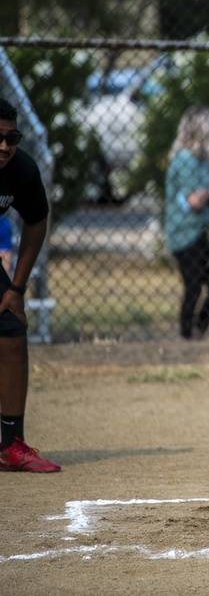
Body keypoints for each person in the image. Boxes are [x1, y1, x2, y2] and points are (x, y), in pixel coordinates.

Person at [0, 98, 60, 472]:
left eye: (11, 138)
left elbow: (37, 219)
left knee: (10, 329)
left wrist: (16, 289)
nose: (4, 147)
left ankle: (10, 444)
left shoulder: (20, 169)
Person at [163, 106, 209, 341]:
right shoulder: (186, 160)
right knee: (194, 286)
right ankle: (185, 337)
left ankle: (197, 332)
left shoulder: (206, 161)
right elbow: (194, 200)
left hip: (199, 229)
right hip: (184, 231)